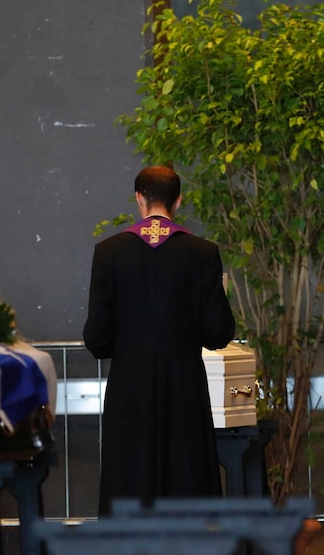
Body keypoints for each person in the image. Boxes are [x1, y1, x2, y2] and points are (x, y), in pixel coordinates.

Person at [83, 165, 236, 515]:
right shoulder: (202, 252)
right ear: (178, 201)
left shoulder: (108, 252)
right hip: (184, 390)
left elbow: (96, 338)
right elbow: (218, 332)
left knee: (129, 483)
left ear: (139, 198)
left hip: (129, 391)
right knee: (188, 480)